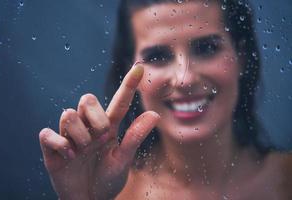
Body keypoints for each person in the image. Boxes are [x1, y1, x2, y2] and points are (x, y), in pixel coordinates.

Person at [39, 0, 292, 199]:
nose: (184, 79)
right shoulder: (110, 194)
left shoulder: (287, 178)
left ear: (242, 57)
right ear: (130, 72)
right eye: (158, 56)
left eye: (207, 48)